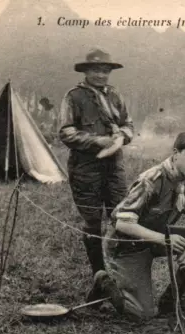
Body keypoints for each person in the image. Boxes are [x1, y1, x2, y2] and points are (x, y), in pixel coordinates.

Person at [88, 132, 185, 320]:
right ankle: (104, 281)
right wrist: (164, 239)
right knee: (141, 314)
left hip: (155, 238)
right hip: (126, 245)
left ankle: (171, 299)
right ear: (175, 154)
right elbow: (123, 223)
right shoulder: (152, 179)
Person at [58, 48, 134, 278]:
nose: (101, 75)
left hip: (114, 166)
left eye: (105, 71)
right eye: (96, 70)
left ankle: (121, 274)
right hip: (85, 167)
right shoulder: (74, 97)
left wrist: (122, 136)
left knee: (121, 217)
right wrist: (96, 141)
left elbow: (128, 124)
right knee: (92, 221)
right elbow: (66, 132)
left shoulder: (115, 95)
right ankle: (99, 275)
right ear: (86, 71)